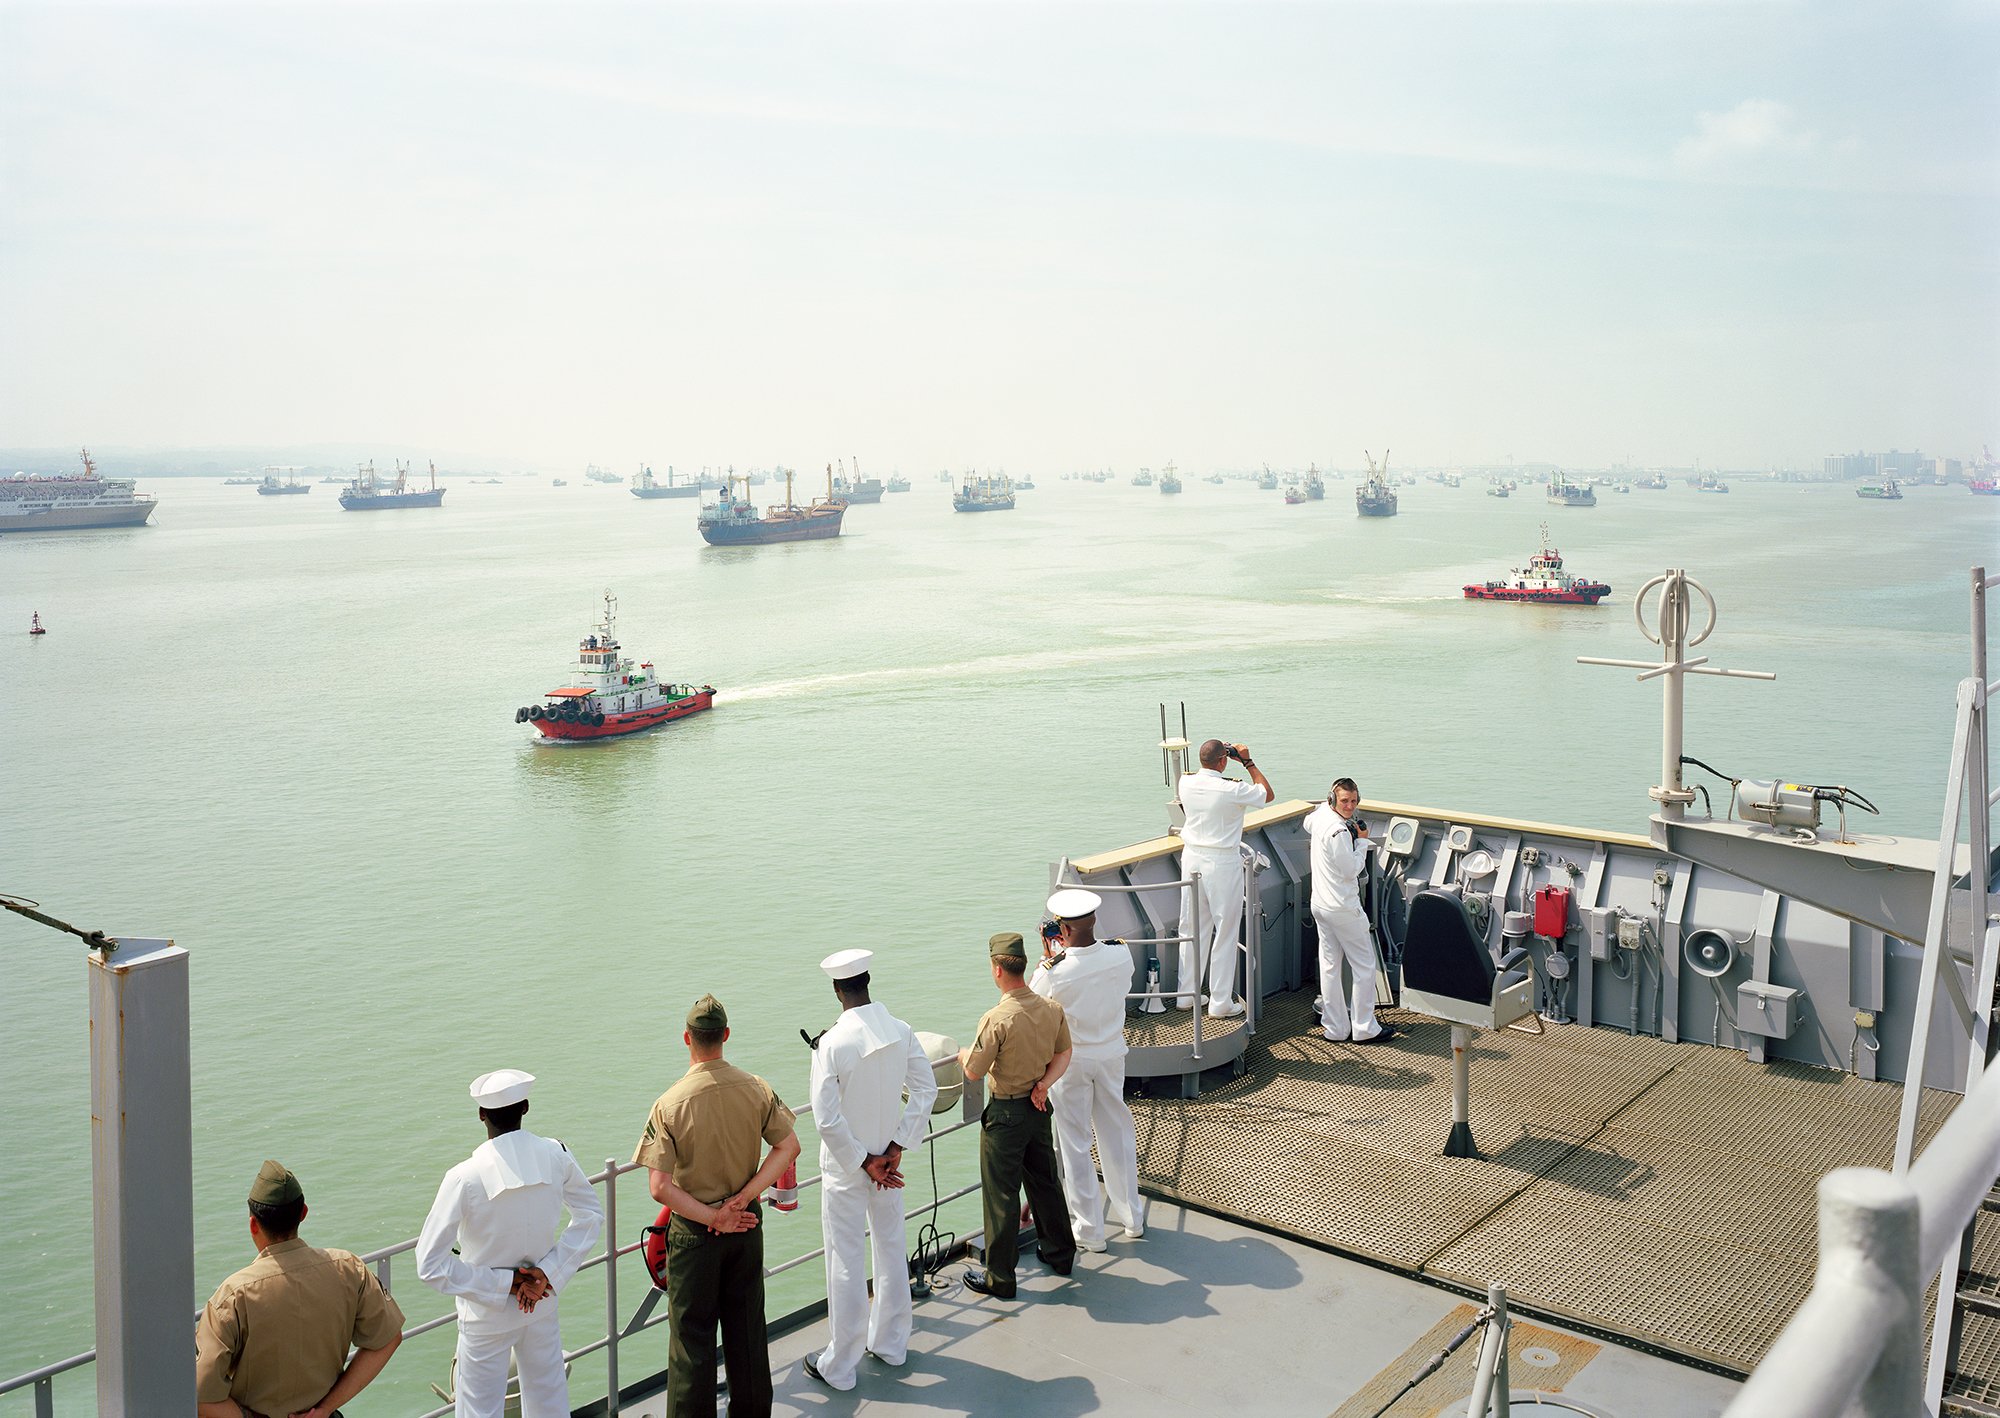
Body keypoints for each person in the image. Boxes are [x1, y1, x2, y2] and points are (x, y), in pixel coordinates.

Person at [633, 994, 801, 1418]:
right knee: (746, 1332)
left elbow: (659, 1187)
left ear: (686, 1039)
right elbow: (788, 1146)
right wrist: (743, 1199)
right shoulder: (757, 1088)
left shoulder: (669, 1104)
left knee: (692, 1342)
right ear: (725, 1036)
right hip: (746, 1225)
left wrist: (713, 1217)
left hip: (695, 1235)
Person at [416, 1069, 605, 1417]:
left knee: (480, 1411)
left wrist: (505, 1283)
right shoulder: (556, 1154)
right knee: (550, 1403)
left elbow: (430, 1265)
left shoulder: (463, 1178)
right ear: (526, 1107)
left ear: (481, 1114)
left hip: (486, 1317)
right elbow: (590, 1216)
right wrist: (546, 1274)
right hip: (541, 1303)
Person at [801, 948, 938, 1392]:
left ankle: (840, 1365)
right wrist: (896, 1145)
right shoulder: (901, 1030)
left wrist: (863, 1161)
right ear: (867, 982)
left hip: (849, 1170)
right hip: (889, 1164)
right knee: (891, 1246)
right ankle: (892, 1343)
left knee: (845, 1260)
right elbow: (926, 1088)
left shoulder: (832, 1044)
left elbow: (825, 1119)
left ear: (837, 990)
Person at [195, 1160, 404, 1418]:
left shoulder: (233, 1296)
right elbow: (388, 1339)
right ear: (303, 1212)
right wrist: (325, 1408)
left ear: (252, 1224)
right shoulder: (348, 1268)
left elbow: (201, 1395)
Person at [958, 931, 1077, 1299]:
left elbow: (975, 1071)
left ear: (997, 969)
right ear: (1022, 966)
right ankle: (1060, 1254)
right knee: (1045, 1183)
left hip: (1006, 1115)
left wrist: (963, 1053)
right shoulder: (1050, 1009)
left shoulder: (997, 1019)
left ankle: (1000, 1278)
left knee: (1002, 1196)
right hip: (1038, 1108)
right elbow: (1065, 1053)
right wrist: (1043, 1085)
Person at [1030, 888, 1146, 1250]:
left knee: (1075, 1144)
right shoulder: (1120, 953)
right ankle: (1133, 1219)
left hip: (1072, 1061)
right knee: (1117, 1134)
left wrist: (1049, 960)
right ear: (1094, 920)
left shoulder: (1055, 971)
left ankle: (1090, 1231)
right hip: (1112, 1053)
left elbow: (1035, 1006)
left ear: (1061, 931)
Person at [1174, 738, 1275, 1016]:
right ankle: (1219, 1002)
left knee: (1192, 927)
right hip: (1221, 861)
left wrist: (1224, 755)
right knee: (1226, 931)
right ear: (1223, 761)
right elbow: (1267, 794)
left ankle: (1186, 994)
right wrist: (1246, 760)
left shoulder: (1186, 782)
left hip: (1192, 856)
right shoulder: (1233, 789)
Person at [1303, 777, 1397, 1043]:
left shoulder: (1320, 817)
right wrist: (1362, 842)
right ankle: (1365, 1027)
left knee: (1330, 966)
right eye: (1344, 801)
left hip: (1320, 904)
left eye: (1354, 801)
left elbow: (1307, 822)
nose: (1350, 806)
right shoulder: (1340, 832)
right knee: (1365, 965)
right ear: (1334, 800)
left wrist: (1330, 806)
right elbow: (1350, 870)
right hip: (1343, 907)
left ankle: (1335, 1028)